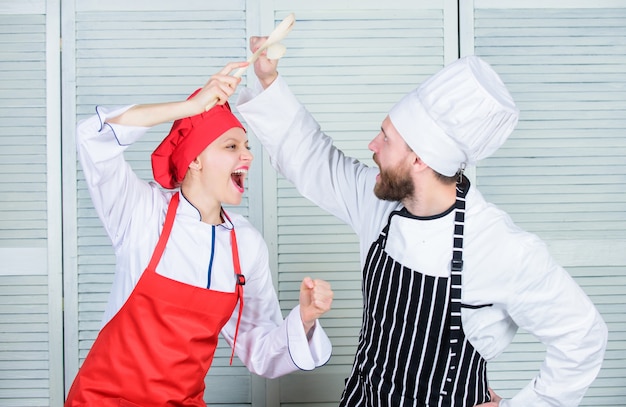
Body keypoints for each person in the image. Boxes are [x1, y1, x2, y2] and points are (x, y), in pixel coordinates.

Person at [236, 38, 608, 407]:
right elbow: (316, 160)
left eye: (386, 138)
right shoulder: (381, 204)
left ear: (420, 160)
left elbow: (582, 335)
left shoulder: (500, 247)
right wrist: (268, 80)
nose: (372, 145)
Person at [65, 61, 334, 406]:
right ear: (194, 160)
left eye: (246, 145)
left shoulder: (245, 244)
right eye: (231, 146)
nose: (248, 155)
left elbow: (258, 347)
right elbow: (93, 137)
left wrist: (305, 320)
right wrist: (189, 108)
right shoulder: (143, 212)